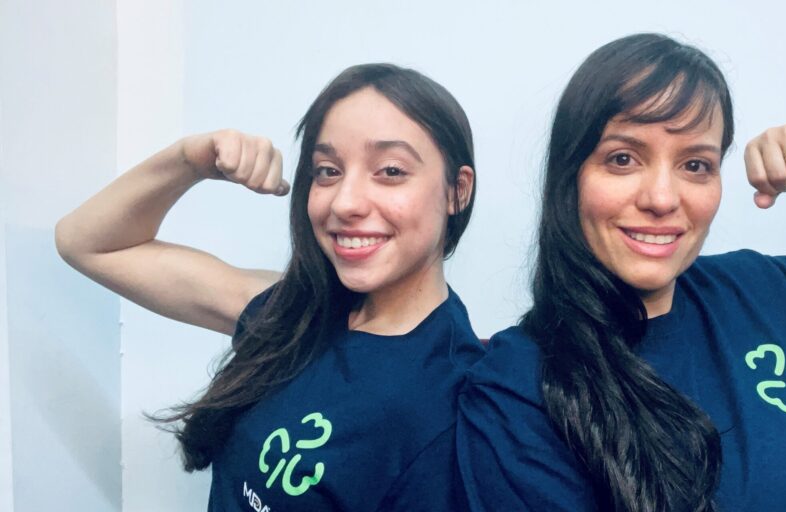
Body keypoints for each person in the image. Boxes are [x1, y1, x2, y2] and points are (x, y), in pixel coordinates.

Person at [456, 33, 786, 512]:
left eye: (695, 165)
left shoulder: (762, 290)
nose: (663, 198)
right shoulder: (515, 393)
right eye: (623, 159)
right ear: (570, 177)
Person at [56, 64, 483, 511]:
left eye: (391, 170)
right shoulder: (292, 313)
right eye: (328, 170)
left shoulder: (453, 403)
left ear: (458, 191)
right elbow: (85, 244)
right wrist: (191, 160)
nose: (345, 202)